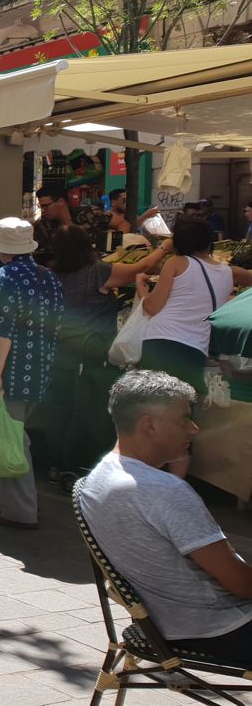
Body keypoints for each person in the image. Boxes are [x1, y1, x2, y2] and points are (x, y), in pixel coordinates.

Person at [79, 370, 252, 666]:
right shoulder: (164, 490)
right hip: (219, 631)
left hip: (163, 625)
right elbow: (241, 584)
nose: (194, 428)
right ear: (150, 425)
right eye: (184, 418)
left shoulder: (98, 476)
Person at [42, 225, 164, 481]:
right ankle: (79, 465)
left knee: (60, 408)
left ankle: (56, 463)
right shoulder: (98, 272)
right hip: (92, 353)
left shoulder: (51, 274)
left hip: (60, 350)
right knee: (90, 410)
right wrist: (166, 247)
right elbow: (142, 266)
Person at [0, 217, 64, 530]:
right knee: (18, 435)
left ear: (3, 252)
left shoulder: (3, 277)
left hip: (15, 369)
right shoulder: (49, 277)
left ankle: (20, 510)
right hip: (42, 366)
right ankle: (25, 503)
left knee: (13, 440)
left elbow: (2, 332)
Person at [138, 216, 252, 434]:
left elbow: (151, 307)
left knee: (153, 411)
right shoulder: (230, 272)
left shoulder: (176, 263)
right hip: (194, 348)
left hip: (159, 341)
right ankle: (177, 460)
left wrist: (140, 287)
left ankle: (152, 461)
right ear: (210, 243)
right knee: (182, 414)